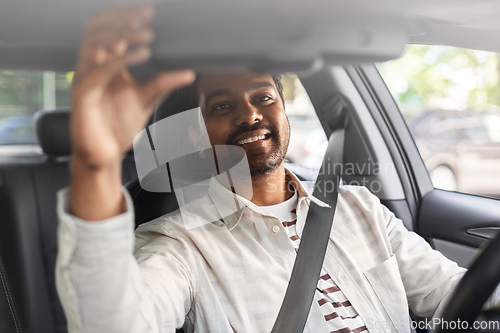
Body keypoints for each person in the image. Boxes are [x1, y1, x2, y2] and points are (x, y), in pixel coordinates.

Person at [56, 5, 469, 333]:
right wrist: (96, 166)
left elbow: (457, 296)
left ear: (285, 112)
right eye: (222, 106)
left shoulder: (359, 207)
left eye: (264, 96)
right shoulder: (180, 243)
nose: (250, 114)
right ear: (198, 137)